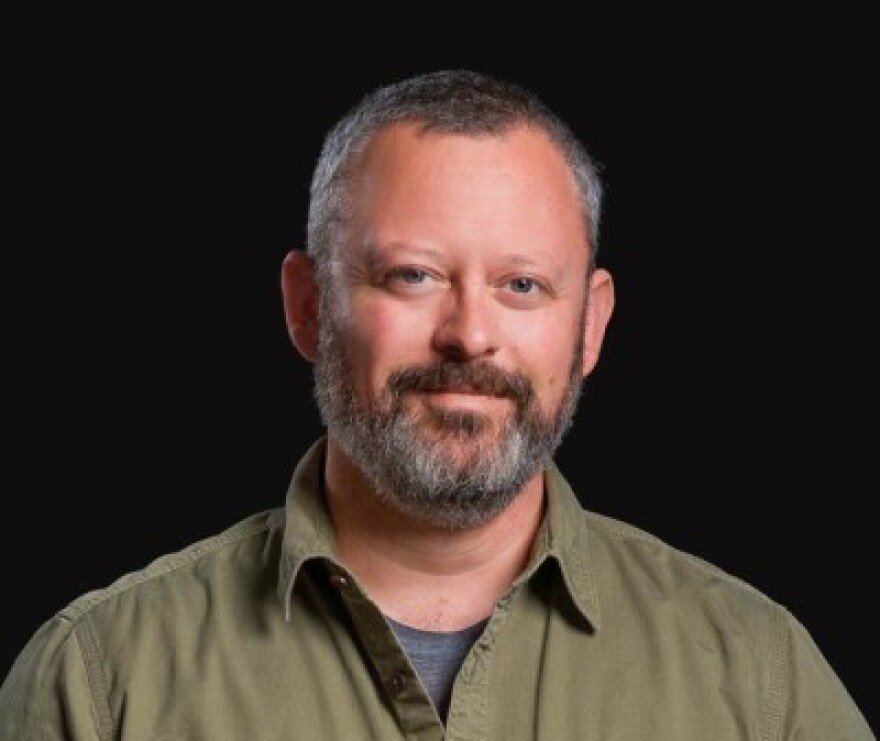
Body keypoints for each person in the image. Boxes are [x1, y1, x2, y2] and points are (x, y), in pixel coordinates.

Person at [0, 70, 873, 741]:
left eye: (522, 284)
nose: (469, 334)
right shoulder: (100, 681)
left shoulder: (758, 679)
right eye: (413, 275)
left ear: (591, 325)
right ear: (309, 306)